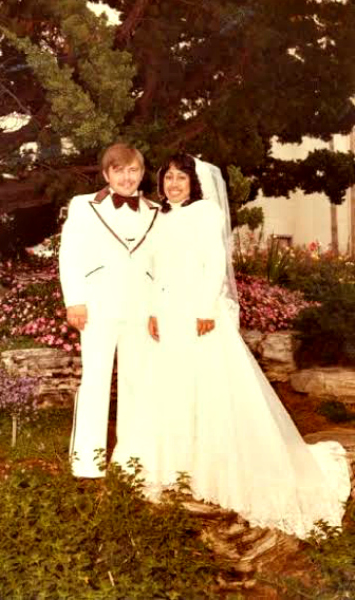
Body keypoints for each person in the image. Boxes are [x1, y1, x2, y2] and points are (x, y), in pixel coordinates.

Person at [139, 153, 350, 539]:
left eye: (181, 178)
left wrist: (206, 308)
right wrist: (153, 310)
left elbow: (215, 263)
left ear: (193, 183)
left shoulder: (206, 214)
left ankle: (216, 465)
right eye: (168, 177)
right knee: (174, 386)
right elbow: (156, 269)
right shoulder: (160, 218)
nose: (173, 184)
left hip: (197, 311)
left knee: (207, 386)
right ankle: (178, 461)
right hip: (167, 313)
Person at [59, 143, 159, 478]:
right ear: (106, 174)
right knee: (95, 380)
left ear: (142, 174)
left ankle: (131, 460)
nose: (126, 177)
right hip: (98, 307)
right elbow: (70, 255)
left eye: (133, 170)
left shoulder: (156, 211)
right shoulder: (83, 206)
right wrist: (74, 300)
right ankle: (88, 462)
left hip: (142, 310)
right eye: (119, 170)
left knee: (138, 382)